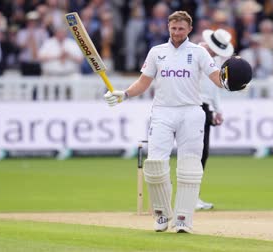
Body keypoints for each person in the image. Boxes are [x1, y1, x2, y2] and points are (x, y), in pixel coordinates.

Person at [104, 11, 251, 234]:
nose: (176, 32)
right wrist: (123, 94)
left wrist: (232, 84)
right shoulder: (157, 52)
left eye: (181, 28)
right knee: (154, 165)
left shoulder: (199, 52)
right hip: (162, 112)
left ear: (189, 29)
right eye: (173, 28)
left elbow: (217, 79)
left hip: (191, 112)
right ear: (168, 27)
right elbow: (143, 83)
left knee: (190, 166)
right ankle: (162, 215)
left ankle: (183, 219)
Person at [196, 28, 233, 210]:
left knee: (203, 153)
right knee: (195, 153)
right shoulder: (195, 53)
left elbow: (214, 89)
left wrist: (218, 111)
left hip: (205, 108)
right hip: (193, 106)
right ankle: (189, 196)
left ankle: (193, 195)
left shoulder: (216, 60)